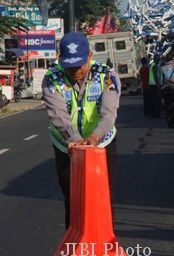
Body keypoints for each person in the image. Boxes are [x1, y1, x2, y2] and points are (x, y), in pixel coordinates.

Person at [42, 32, 120, 229]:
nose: (75, 71)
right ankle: (74, 244)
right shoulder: (52, 78)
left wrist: (94, 137)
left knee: (104, 195)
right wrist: (76, 140)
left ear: (90, 56)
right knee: (72, 195)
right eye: (69, 66)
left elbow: (109, 113)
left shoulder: (107, 75)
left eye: (79, 65)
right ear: (60, 60)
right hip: (66, 144)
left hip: (102, 142)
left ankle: (104, 244)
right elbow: (58, 115)